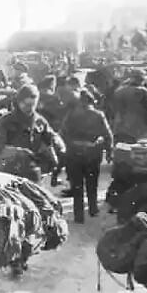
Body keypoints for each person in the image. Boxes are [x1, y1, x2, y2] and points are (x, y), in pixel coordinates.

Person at [0, 84, 65, 181]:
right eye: (26, 105)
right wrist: (18, 152)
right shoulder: (6, 121)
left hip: (32, 170)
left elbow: (50, 139)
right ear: (19, 102)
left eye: (32, 105)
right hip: (11, 170)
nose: (29, 109)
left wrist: (59, 147)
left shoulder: (39, 121)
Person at [61, 88, 113, 223]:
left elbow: (63, 133)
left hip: (74, 154)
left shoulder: (71, 115)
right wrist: (109, 152)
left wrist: (69, 146)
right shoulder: (98, 115)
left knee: (77, 186)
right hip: (92, 154)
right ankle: (93, 209)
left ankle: (78, 215)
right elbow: (108, 135)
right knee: (92, 183)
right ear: (92, 101)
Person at [112, 69, 147, 143]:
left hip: (118, 126)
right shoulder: (143, 91)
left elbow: (112, 109)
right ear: (142, 79)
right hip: (136, 127)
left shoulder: (119, 91)